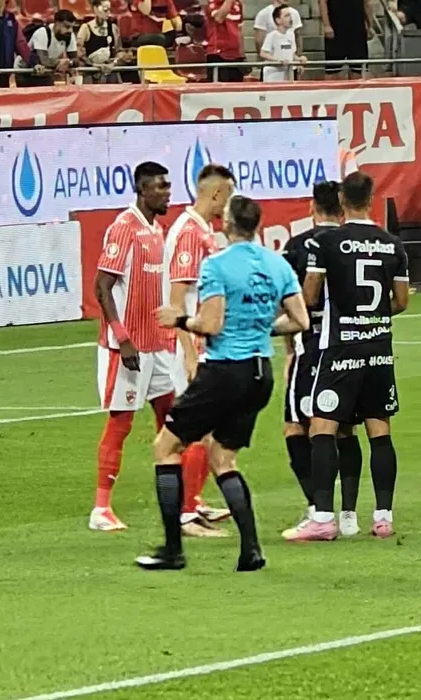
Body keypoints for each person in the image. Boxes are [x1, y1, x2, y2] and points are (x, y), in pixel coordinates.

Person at [138, 196, 310, 571]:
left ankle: (172, 550)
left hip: (224, 370)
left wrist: (178, 320)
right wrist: (261, 328)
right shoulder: (277, 263)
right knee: (223, 457)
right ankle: (251, 550)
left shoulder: (216, 265)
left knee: (166, 447)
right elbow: (300, 320)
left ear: (227, 223)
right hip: (259, 372)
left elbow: (211, 325)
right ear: (257, 225)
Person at [290, 172, 410, 541]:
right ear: (372, 200)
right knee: (379, 429)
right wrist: (372, 318)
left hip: (339, 348)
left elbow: (310, 297)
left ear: (342, 201)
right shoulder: (393, 245)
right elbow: (401, 301)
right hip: (379, 348)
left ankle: (324, 518)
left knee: (323, 426)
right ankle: (383, 518)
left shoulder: (326, 243)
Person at [90, 162, 185, 532]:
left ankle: (181, 503)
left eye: (168, 185)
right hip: (127, 347)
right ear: (142, 190)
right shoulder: (124, 228)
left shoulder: (157, 230)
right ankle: (101, 509)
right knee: (121, 422)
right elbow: (101, 286)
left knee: (172, 416)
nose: (167, 192)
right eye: (160, 187)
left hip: (156, 346)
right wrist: (122, 337)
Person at [280, 181, 366, 541]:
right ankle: (348, 514)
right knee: (345, 428)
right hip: (353, 344)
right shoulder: (356, 243)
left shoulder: (300, 245)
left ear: (312, 208)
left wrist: (290, 348)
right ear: (342, 209)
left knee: (297, 427)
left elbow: (292, 301)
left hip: (313, 345)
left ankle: (318, 510)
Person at [162, 163, 237, 538]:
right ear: (217, 193)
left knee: (207, 428)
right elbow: (176, 300)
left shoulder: (201, 229)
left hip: (202, 342)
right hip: (189, 345)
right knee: (197, 429)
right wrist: (189, 353)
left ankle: (193, 502)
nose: (229, 204)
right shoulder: (190, 233)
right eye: (229, 195)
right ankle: (186, 513)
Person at [77, 0, 129, 84]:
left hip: (110, 71)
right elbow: (79, 54)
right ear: (95, 9)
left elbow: (119, 51)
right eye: (105, 10)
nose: (108, 13)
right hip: (91, 71)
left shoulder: (113, 28)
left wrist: (114, 63)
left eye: (109, 10)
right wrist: (95, 65)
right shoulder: (85, 28)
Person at [24, 10, 78, 87]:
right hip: (25, 71)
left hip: (44, 73)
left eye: (72, 27)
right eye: (67, 27)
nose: (70, 30)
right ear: (57, 23)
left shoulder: (70, 35)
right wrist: (61, 62)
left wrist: (68, 62)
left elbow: (76, 60)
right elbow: (44, 61)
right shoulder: (42, 33)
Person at [260, 4, 305, 82]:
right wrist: (278, 61)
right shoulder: (272, 36)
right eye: (286, 16)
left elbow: (291, 53)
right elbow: (263, 53)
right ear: (278, 20)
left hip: (288, 74)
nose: (290, 18)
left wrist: (299, 59)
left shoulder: (291, 35)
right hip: (273, 76)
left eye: (290, 15)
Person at [206, 0, 246, 82]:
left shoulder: (237, 4)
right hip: (218, 54)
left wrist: (242, 55)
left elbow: (239, 29)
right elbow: (219, 18)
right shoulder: (213, 2)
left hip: (235, 56)